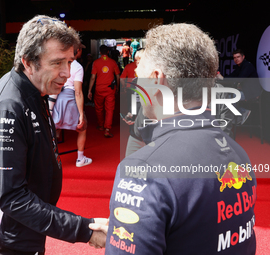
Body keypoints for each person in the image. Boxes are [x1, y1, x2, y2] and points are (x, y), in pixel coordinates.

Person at [105, 23, 256, 254]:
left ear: (156, 80)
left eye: (139, 77)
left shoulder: (142, 171)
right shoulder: (239, 154)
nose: (136, 85)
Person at [0, 15, 107, 255]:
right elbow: (13, 198)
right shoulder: (9, 107)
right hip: (13, 233)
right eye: (57, 63)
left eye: (69, 62)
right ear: (28, 62)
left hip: (30, 221)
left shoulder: (36, 89)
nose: (67, 73)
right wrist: (85, 230)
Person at [48, 43, 92, 167]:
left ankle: (49, 159)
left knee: (52, 128)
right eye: (80, 50)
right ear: (77, 51)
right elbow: (78, 92)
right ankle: (80, 158)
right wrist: (82, 113)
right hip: (70, 98)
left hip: (56, 98)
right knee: (82, 127)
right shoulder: (77, 67)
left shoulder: (58, 63)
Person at [219, 49, 263, 125]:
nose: (236, 59)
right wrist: (222, 78)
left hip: (252, 93)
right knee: (225, 96)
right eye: (234, 57)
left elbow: (239, 79)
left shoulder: (247, 65)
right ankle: (238, 115)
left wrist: (222, 78)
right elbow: (231, 76)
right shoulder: (239, 67)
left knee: (228, 98)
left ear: (243, 57)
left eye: (238, 57)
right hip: (246, 92)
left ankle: (242, 112)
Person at [88, 45, 120, 138]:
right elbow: (118, 76)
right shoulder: (113, 62)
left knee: (99, 108)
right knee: (109, 109)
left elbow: (93, 77)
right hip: (110, 89)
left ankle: (101, 125)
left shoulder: (96, 63)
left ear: (100, 52)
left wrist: (89, 90)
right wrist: (118, 87)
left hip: (99, 89)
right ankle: (107, 129)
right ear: (108, 52)